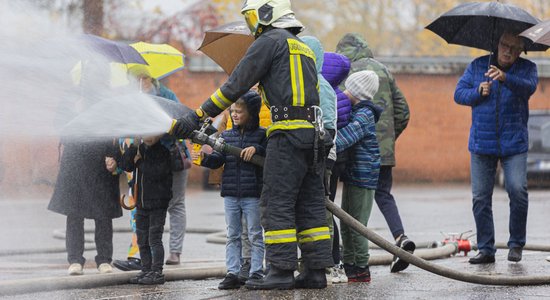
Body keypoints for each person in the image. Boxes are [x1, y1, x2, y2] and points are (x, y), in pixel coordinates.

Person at [171, 0, 334, 290]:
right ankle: (315, 272)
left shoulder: (269, 41)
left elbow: (235, 86)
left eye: (251, 18)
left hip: (285, 135)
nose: (251, 25)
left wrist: (198, 115)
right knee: (310, 205)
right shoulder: (303, 47)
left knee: (276, 202)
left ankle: (280, 272)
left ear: (266, 14)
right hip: (313, 137)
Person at [454, 31, 537, 264]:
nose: (507, 50)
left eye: (513, 47)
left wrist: (505, 78)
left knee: (517, 190)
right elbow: (458, 94)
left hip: (514, 144)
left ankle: (516, 244)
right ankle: (486, 249)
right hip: (482, 143)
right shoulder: (477, 65)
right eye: (504, 45)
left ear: (521, 50)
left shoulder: (528, 68)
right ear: (497, 44)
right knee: (480, 197)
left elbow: (529, 88)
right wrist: (478, 91)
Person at [336, 33, 415, 273]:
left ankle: (356, 264)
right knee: (383, 194)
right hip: (383, 150)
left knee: (352, 214)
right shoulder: (383, 70)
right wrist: (388, 140)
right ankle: (400, 237)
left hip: (354, 149)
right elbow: (403, 111)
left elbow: (340, 109)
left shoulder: (347, 72)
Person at [113, 65, 191, 271]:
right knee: (140, 206)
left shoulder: (166, 95)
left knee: (175, 204)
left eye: (145, 78)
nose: (141, 82)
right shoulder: (131, 99)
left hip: (169, 158)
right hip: (142, 161)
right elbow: (123, 129)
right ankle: (138, 254)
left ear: (152, 78)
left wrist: (155, 134)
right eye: (136, 79)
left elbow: (179, 125)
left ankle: (174, 251)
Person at [193, 91, 266, 289]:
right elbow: (218, 160)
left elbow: (269, 156)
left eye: (239, 111)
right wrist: (205, 159)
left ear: (251, 112)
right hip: (231, 195)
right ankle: (232, 272)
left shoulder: (262, 135)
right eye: (232, 111)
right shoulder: (226, 135)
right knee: (233, 234)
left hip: (253, 195)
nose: (234, 115)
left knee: (254, 234)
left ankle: (257, 272)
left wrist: (257, 149)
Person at [48, 95, 122, 276]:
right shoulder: (70, 99)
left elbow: (116, 129)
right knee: (74, 214)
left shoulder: (107, 100)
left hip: (102, 164)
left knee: (103, 215)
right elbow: (62, 131)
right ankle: (75, 260)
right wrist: (75, 110)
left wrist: (116, 160)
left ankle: (104, 260)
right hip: (74, 166)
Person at [116, 133, 182, 285]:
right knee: (142, 239)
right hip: (141, 203)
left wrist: (140, 163)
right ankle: (146, 269)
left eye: (153, 133)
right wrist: (133, 148)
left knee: (154, 239)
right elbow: (126, 165)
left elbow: (157, 173)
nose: (149, 136)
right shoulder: (139, 149)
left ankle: (157, 271)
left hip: (158, 203)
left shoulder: (163, 152)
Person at [335, 70, 382, 282]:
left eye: (349, 88)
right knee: (346, 222)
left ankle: (361, 267)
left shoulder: (364, 115)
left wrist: (326, 144)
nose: (345, 92)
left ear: (358, 92)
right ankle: (350, 264)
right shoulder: (358, 111)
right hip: (354, 175)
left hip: (364, 177)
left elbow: (346, 138)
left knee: (357, 225)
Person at [321, 51, 352, 283]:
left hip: (323, 156)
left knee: (324, 210)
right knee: (328, 208)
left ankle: (331, 262)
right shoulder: (339, 94)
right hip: (334, 158)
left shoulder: (322, 91)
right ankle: (335, 263)